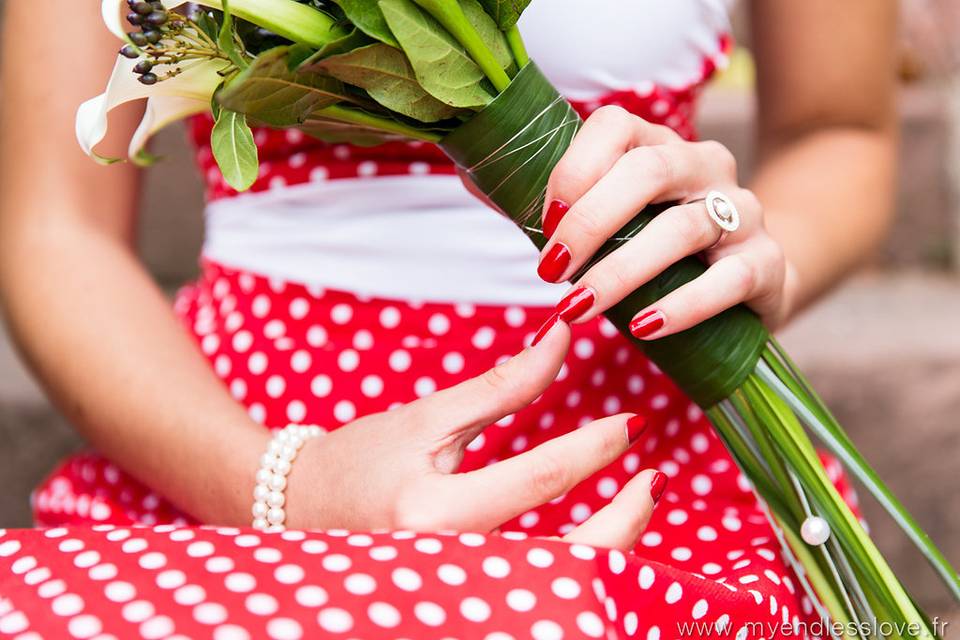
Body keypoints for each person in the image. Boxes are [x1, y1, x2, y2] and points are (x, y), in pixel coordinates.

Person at [0, 0, 896, 638]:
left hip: (638, 436)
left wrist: (736, 257)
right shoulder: (265, 470)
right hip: (249, 430)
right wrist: (279, 488)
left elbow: (841, 129)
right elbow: (55, 227)